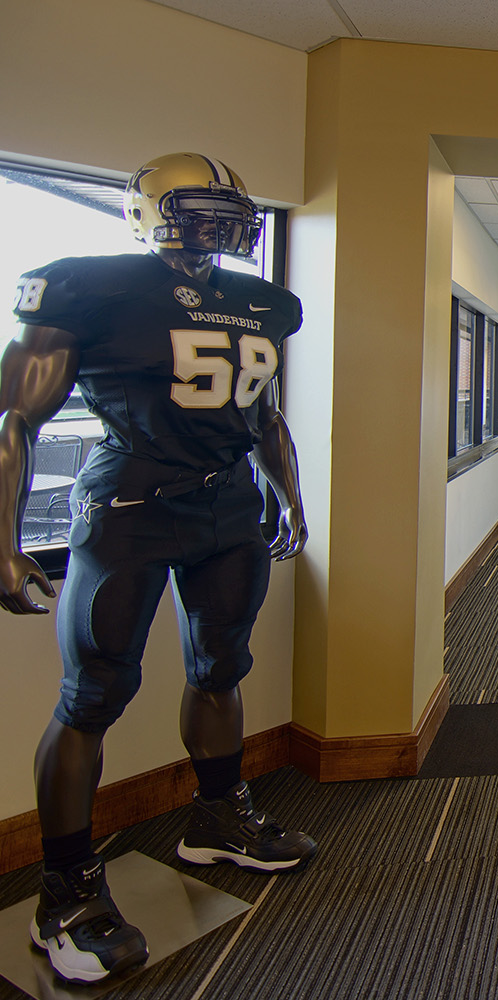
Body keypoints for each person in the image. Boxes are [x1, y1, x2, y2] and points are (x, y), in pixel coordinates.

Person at [1, 153, 316, 984]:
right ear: (146, 210)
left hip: (229, 507)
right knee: (93, 694)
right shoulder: (89, 285)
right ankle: (63, 892)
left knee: (221, 669)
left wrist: (289, 496)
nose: (217, 224)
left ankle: (216, 816)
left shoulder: (262, 302)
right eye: (196, 207)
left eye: (227, 210)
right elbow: (13, 417)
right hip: (132, 507)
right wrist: (0, 540)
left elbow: (264, 415)